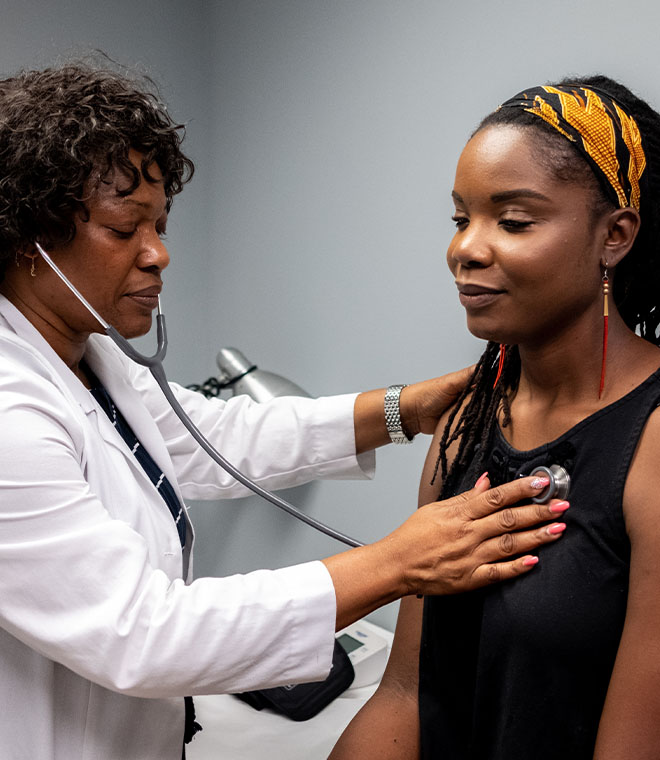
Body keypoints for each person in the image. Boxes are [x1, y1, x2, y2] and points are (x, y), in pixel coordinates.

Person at [0, 62, 564, 760]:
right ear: (28, 241)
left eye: (161, 225)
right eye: (125, 231)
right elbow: (143, 634)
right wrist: (397, 563)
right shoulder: (9, 414)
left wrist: (405, 410)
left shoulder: (91, 358)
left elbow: (212, 436)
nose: (159, 255)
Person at [330, 75, 660, 760]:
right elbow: (405, 697)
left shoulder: (652, 438)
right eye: (461, 218)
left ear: (615, 235)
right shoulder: (468, 422)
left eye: (512, 220)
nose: (467, 249)